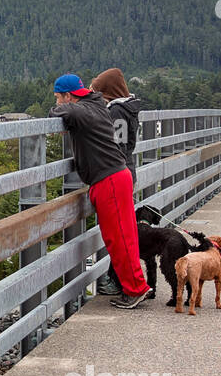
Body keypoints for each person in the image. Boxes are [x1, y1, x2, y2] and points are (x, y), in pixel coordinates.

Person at [50, 74, 151, 309]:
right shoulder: (96, 104)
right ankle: (134, 286)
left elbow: (64, 113)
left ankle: (135, 289)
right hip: (113, 177)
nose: (57, 103)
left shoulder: (82, 110)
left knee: (119, 238)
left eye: (58, 98)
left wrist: (56, 112)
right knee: (121, 235)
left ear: (68, 96)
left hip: (110, 180)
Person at [89, 67, 144, 297]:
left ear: (108, 92)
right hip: (126, 170)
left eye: (98, 92)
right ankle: (120, 279)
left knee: (119, 231)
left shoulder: (117, 112)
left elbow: (118, 144)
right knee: (123, 229)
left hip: (117, 173)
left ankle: (117, 281)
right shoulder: (127, 107)